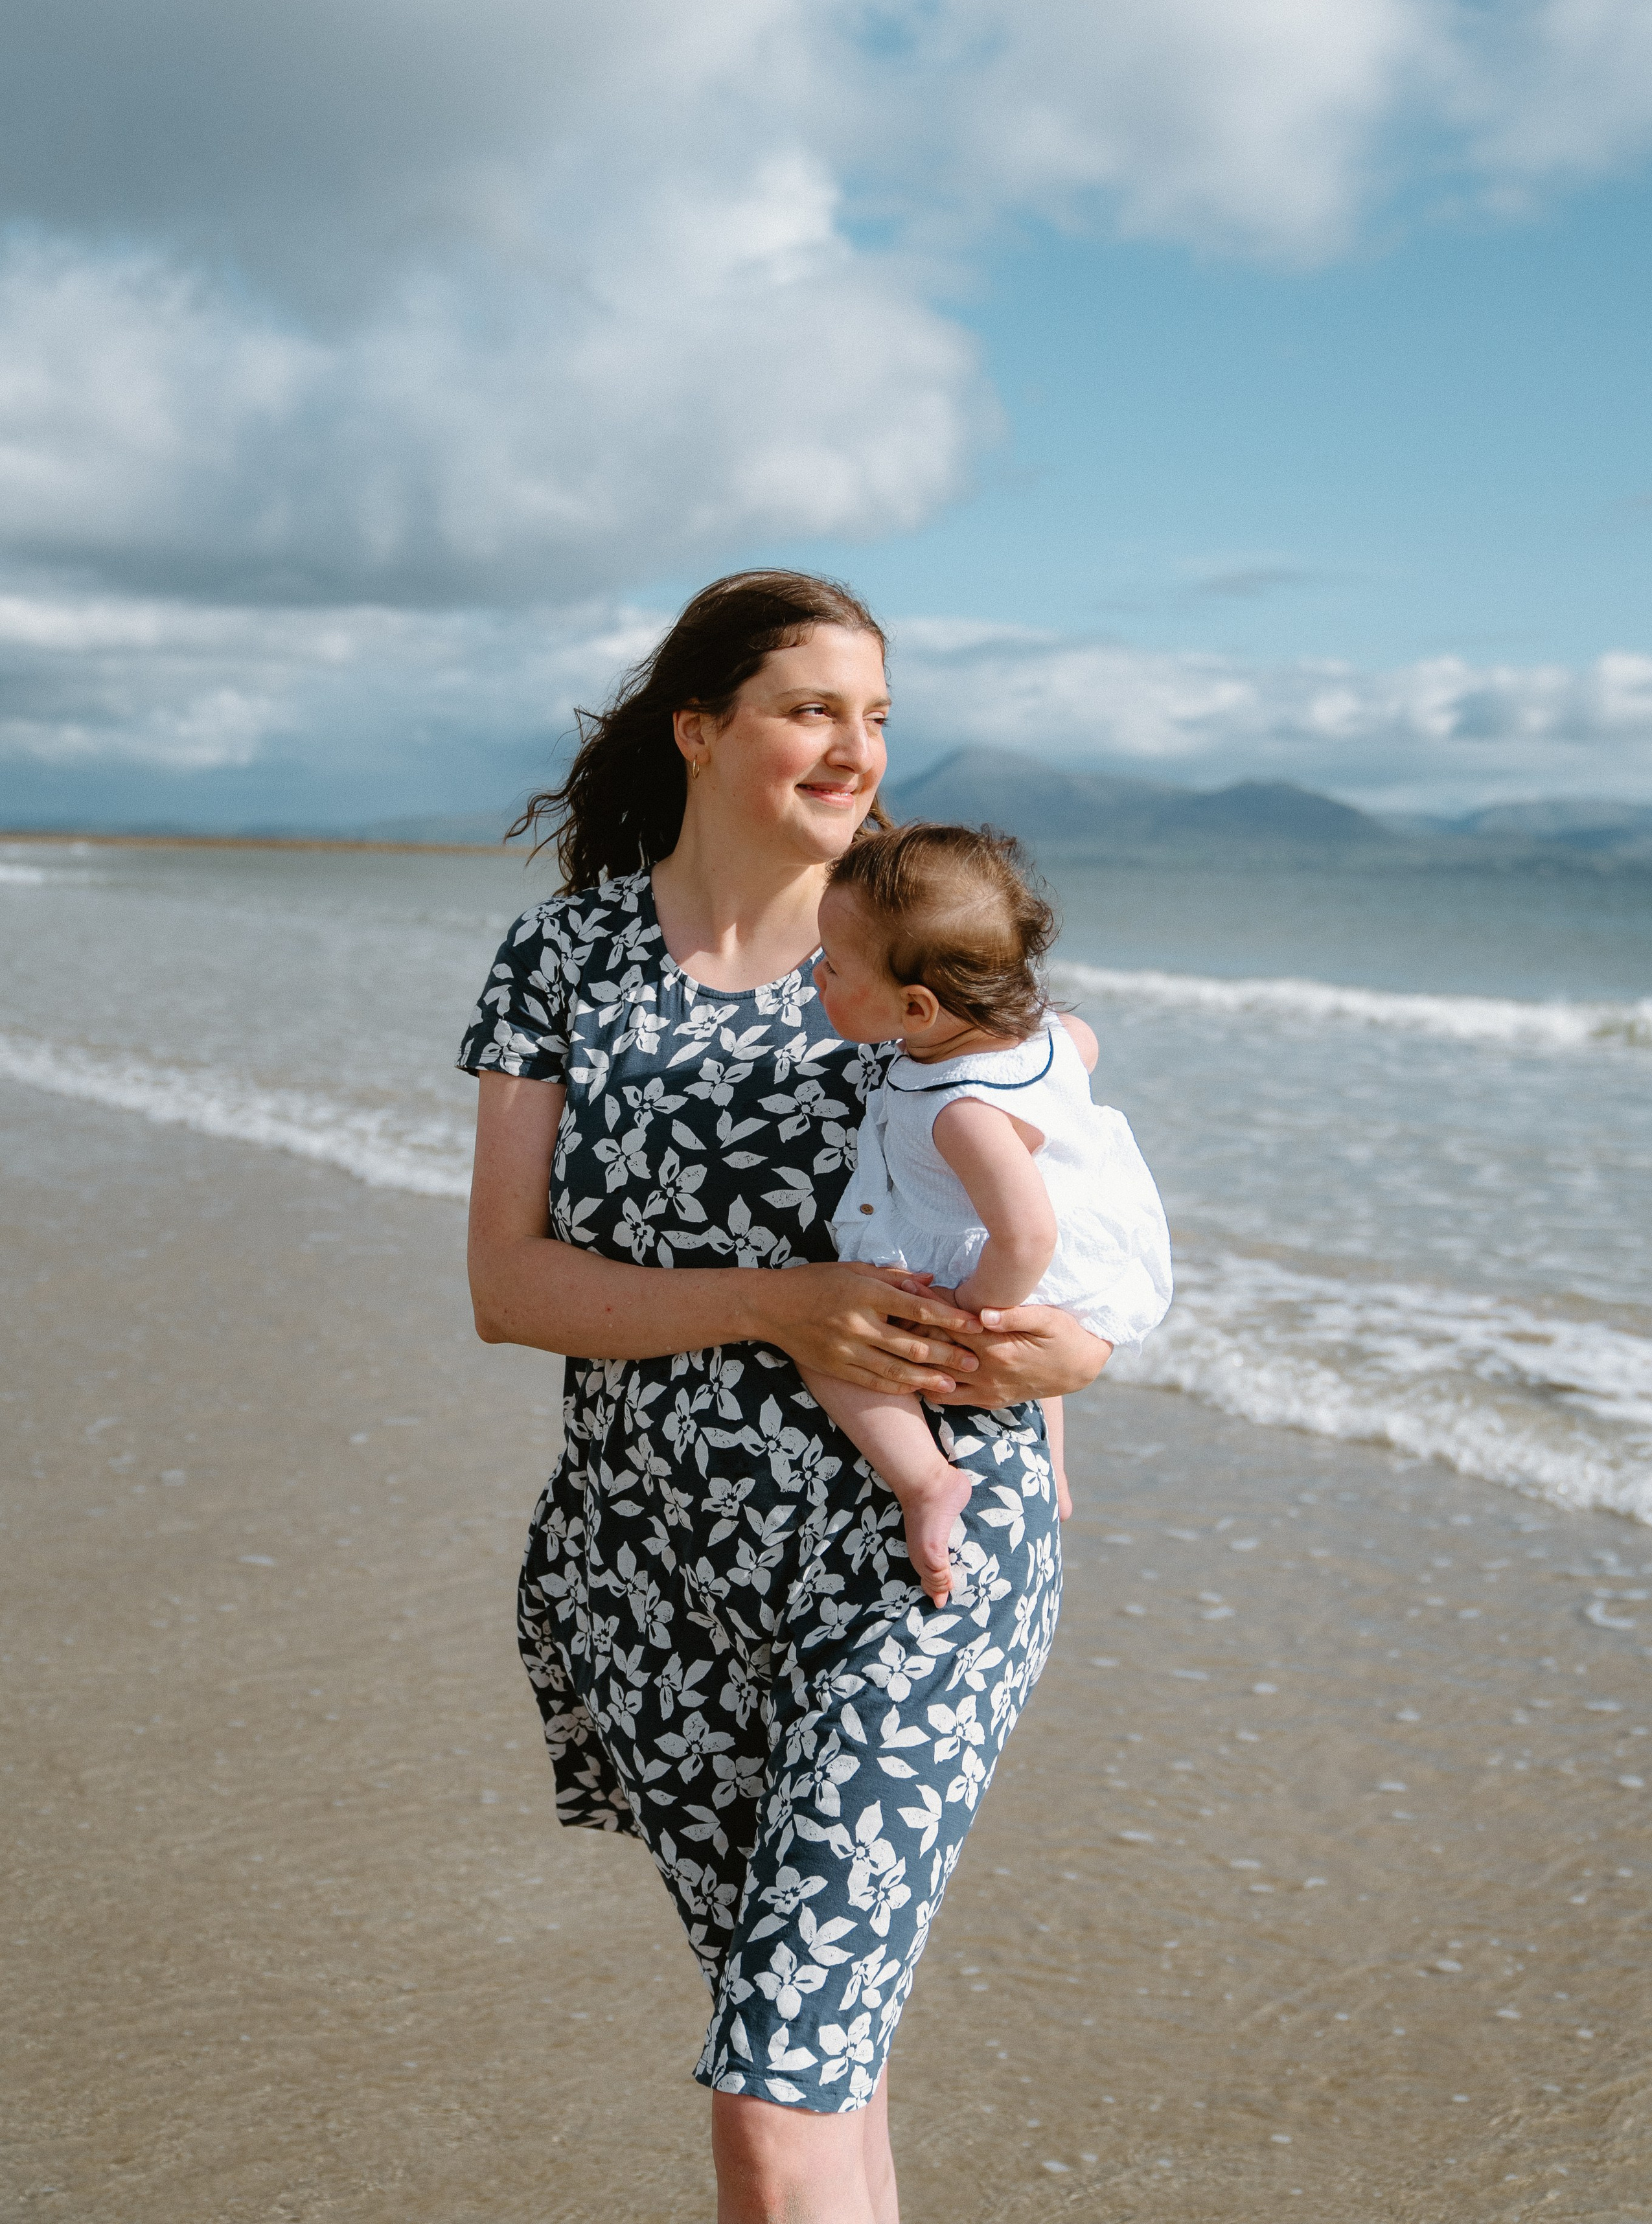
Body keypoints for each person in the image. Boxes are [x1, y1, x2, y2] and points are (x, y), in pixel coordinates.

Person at [461, 570, 1114, 2224]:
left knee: (773, 2081)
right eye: (812, 706)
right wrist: (779, 1304)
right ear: (700, 726)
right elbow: (507, 1285)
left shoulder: (918, 942)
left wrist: (1073, 1361)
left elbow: (1077, 1255)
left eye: (876, 712)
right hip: (652, 1576)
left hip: (910, 1568)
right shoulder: (567, 955)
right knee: (823, 2051)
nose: (855, 747)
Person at [804, 822, 1173, 1606]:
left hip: (1004, 1271)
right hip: (1076, 1260)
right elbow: (1084, 1042)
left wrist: (977, 1310)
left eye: (832, 967)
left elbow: (1028, 1233)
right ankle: (1056, 1474)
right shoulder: (1048, 1035)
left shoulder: (959, 1109)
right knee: (1042, 1352)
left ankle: (925, 1480)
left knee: (830, 1347)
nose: (815, 977)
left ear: (915, 1005)